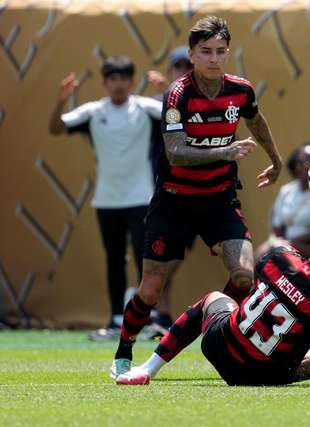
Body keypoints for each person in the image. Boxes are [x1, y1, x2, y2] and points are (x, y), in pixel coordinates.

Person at [110, 15, 283, 379]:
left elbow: (255, 119)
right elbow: (175, 152)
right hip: (174, 201)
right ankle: (124, 348)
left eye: (220, 51)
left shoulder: (240, 90)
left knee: (244, 275)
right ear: (191, 55)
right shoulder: (178, 94)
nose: (214, 58)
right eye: (206, 51)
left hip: (219, 199)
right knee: (150, 290)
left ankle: (222, 335)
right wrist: (225, 151)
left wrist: (275, 159)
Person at [115, 228, 310, 389]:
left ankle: (148, 368)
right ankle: (275, 372)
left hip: (220, 348)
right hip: (264, 377)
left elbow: (287, 268)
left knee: (213, 298)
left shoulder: (280, 257)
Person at [49, 56, 163, 341]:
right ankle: (115, 321)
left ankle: (147, 320)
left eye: (123, 78)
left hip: (141, 198)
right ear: (104, 83)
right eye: (112, 79)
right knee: (114, 260)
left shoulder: (145, 108)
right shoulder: (93, 111)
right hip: (107, 201)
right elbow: (56, 128)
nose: (118, 84)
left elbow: (179, 118)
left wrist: (168, 93)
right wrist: (61, 101)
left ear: (132, 81)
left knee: (145, 261)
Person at [142, 46, 195, 334]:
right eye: (179, 66)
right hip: (165, 193)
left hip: (198, 193)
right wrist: (167, 96)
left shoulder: (208, 102)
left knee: (172, 258)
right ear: (170, 71)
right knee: (162, 255)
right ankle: (159, 315)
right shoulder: (154, 105)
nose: (184, 71)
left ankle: (153, 310)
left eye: (188, 66)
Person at [256, 143, 310, 259]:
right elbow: (277, 226)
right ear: (294, 166)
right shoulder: (286, 190)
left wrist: (286, 244)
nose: (305, 165)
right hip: (283, 243)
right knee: (259, 255)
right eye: (300, 161)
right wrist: (281, 243)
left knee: (273, 253)